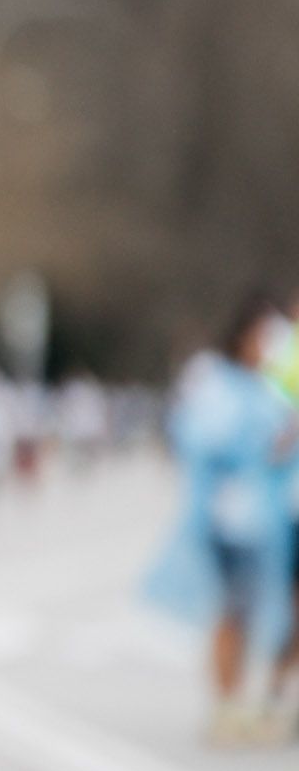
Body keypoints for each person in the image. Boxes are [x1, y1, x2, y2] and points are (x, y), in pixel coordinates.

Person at [146, 292, 299, 745]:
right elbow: (202, 440)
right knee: (233, 609)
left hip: (268, 518)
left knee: (261, 609)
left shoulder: (273, 384)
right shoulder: (217, 381)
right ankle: (228, 702)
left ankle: (267, 697)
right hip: (227, 516)